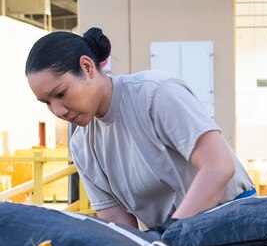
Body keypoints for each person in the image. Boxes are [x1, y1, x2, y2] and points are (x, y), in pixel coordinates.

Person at [26, 28, 253, 230]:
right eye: (46, 102)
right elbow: (119, 224)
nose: (57, 111)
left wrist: (173, 236)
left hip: (232, 221)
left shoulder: (155, 94)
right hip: (171, 238)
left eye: (60, 94)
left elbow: (219, 167)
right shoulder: (82, 144)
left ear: (87, 68)